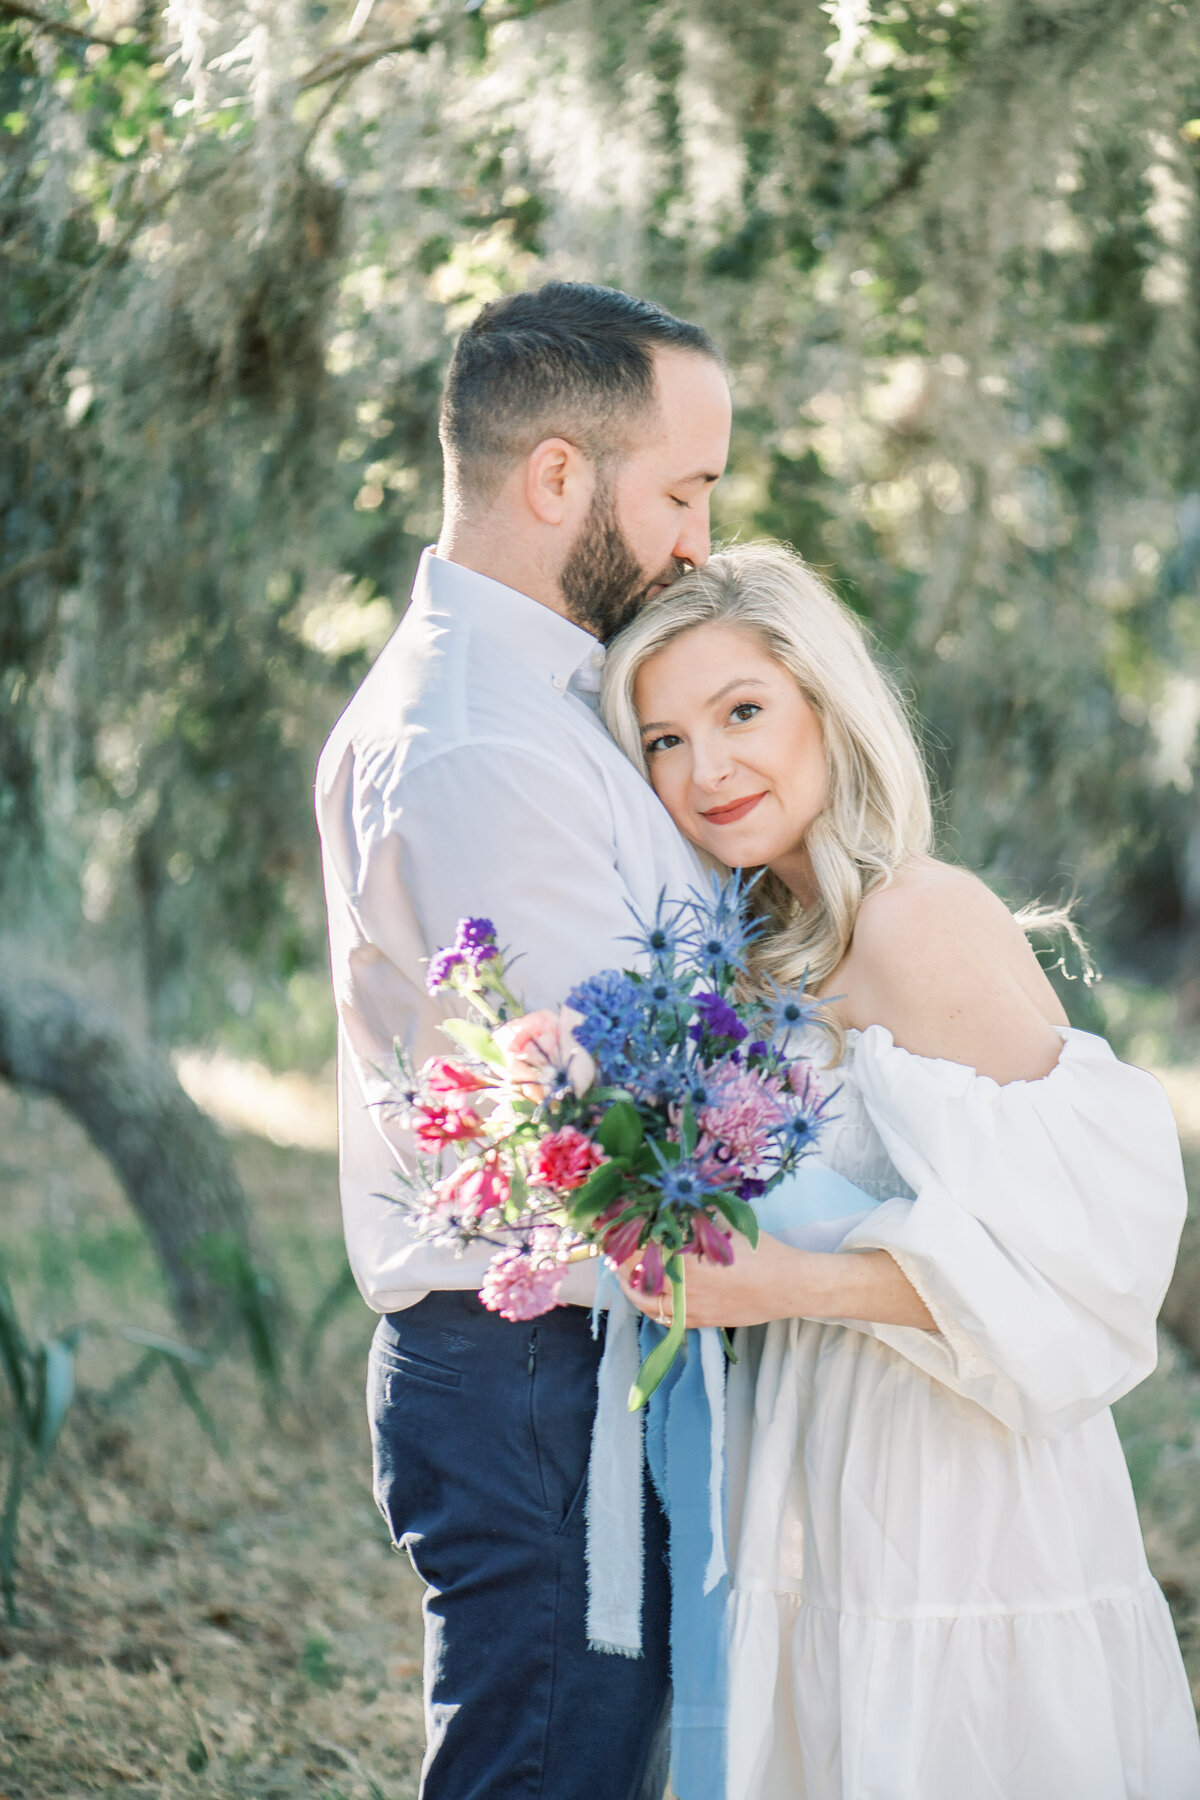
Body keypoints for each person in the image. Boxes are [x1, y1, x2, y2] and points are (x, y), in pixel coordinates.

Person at [602, 541, 1200, 1798]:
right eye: (662, 740)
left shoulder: (918, 917)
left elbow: (1081, 1260)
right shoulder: (758, 944)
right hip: (817, 1451)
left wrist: (784, 1290)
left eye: (742, 712)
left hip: (952, 1476)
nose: (706, 769)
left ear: (829, 705)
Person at [314, 281, 732, 1799]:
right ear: (558, 476)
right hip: (536, 1377)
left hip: (570, 1365)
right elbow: (645, 1107)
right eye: (684, 491)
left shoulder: (553, 695)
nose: (700, 540)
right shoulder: (481, 738)